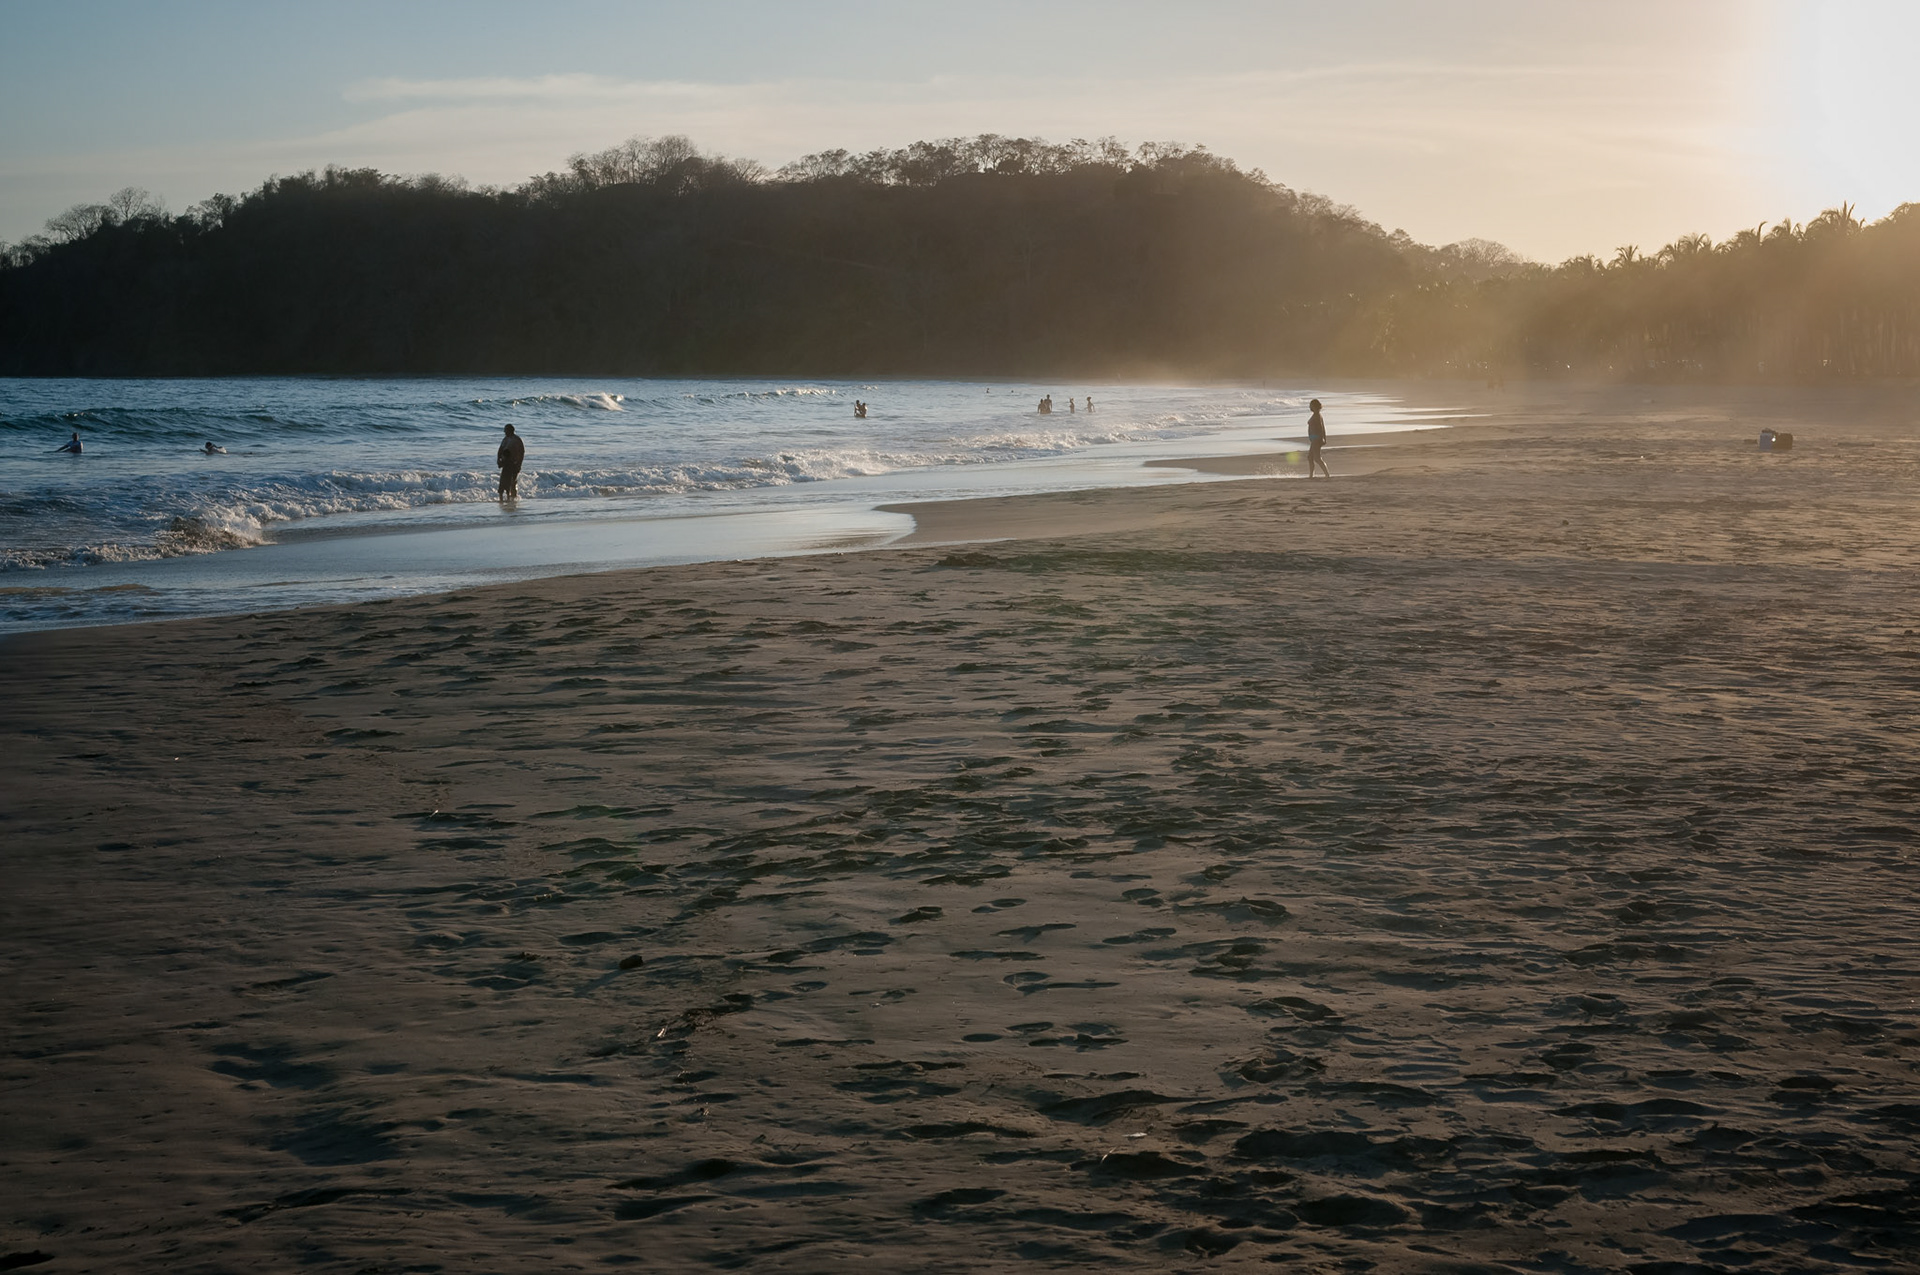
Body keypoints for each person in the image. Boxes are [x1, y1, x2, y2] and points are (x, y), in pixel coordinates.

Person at [497, 423, 525, 499]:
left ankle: (513, 497)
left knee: (513, 481)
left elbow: (521, 452)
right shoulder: (505, 439)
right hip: (505, 462)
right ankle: (507, 496)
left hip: (514, 463)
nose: (505, 432)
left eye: (506, 431)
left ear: (510, 431)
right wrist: (498, 460)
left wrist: (519, 464)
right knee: (504, 480)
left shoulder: (517, 440)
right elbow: (500, 450)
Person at [1305, 399, 1330, 478]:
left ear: (1314, 406)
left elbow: (1321, 428)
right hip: (1314, 439)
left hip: (1316, 439)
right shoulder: (1315, 415)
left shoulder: (1317, 416)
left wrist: (1323, 438)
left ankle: (1327, 474)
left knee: (1317, 458)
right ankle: (1311, 475)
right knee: (1310, 457)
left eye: (1311, 405)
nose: (1310, 407)